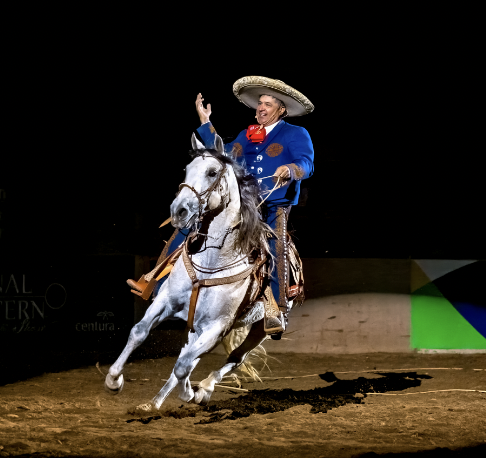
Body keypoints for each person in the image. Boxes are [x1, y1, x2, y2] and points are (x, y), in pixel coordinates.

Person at [128, 76, 315, 335]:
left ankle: (275, 309)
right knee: (188, 225)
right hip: (241, 202)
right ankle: (155, 282)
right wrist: (205, 122)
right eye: (259, 103)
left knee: (276, 246)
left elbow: (307, 163)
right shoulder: (245, 135)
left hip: (273, 204)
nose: (261, 108)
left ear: (281, 109)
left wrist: (290, 169)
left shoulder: (296, 133)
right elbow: (220, 153)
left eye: (268, 104)